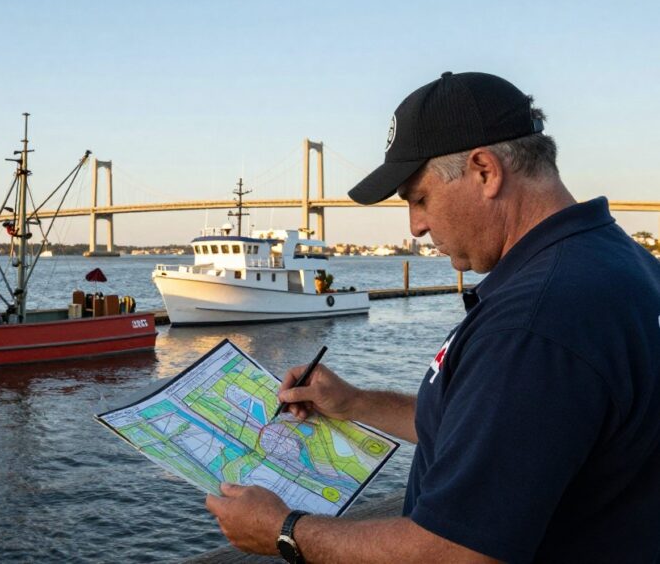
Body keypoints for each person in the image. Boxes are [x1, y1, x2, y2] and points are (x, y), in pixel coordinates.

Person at [205, 71, 660, 563]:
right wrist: (354, 402)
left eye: (419, 199)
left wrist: (286, 531)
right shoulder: (621, 264)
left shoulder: (533, 323)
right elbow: (499, 429)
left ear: (485, 170)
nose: (416, 227)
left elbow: (459, 553)